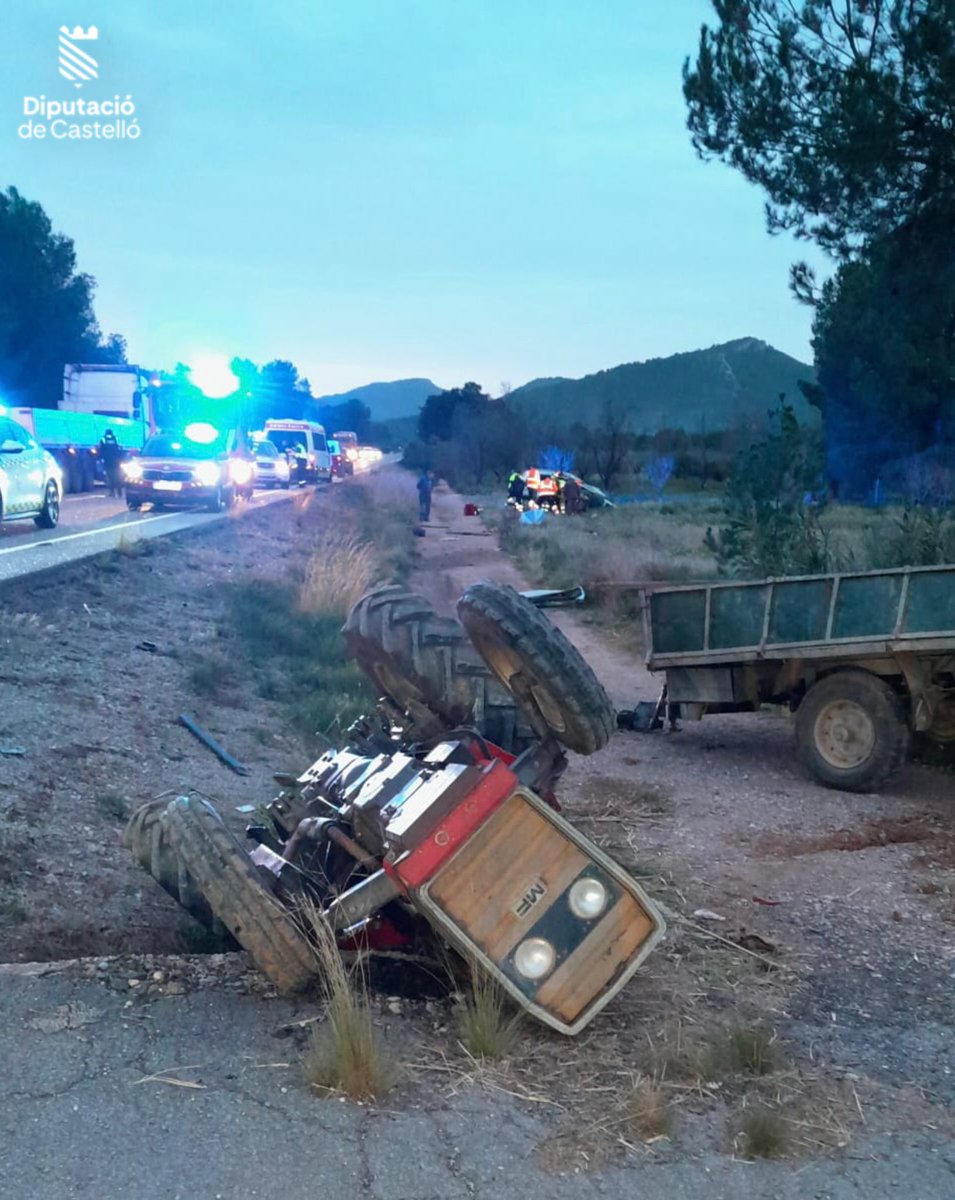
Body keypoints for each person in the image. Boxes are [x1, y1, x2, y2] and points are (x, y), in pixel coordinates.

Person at [99, 428, 123, 496]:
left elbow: (101, 450)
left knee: (110, 477)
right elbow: (119, 449)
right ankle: (119, 492)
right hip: (116, 461)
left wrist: (101, 459)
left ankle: (112, 492)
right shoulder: (116, 439)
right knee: (117, 477)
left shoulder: (103, 439)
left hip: (108, 461)